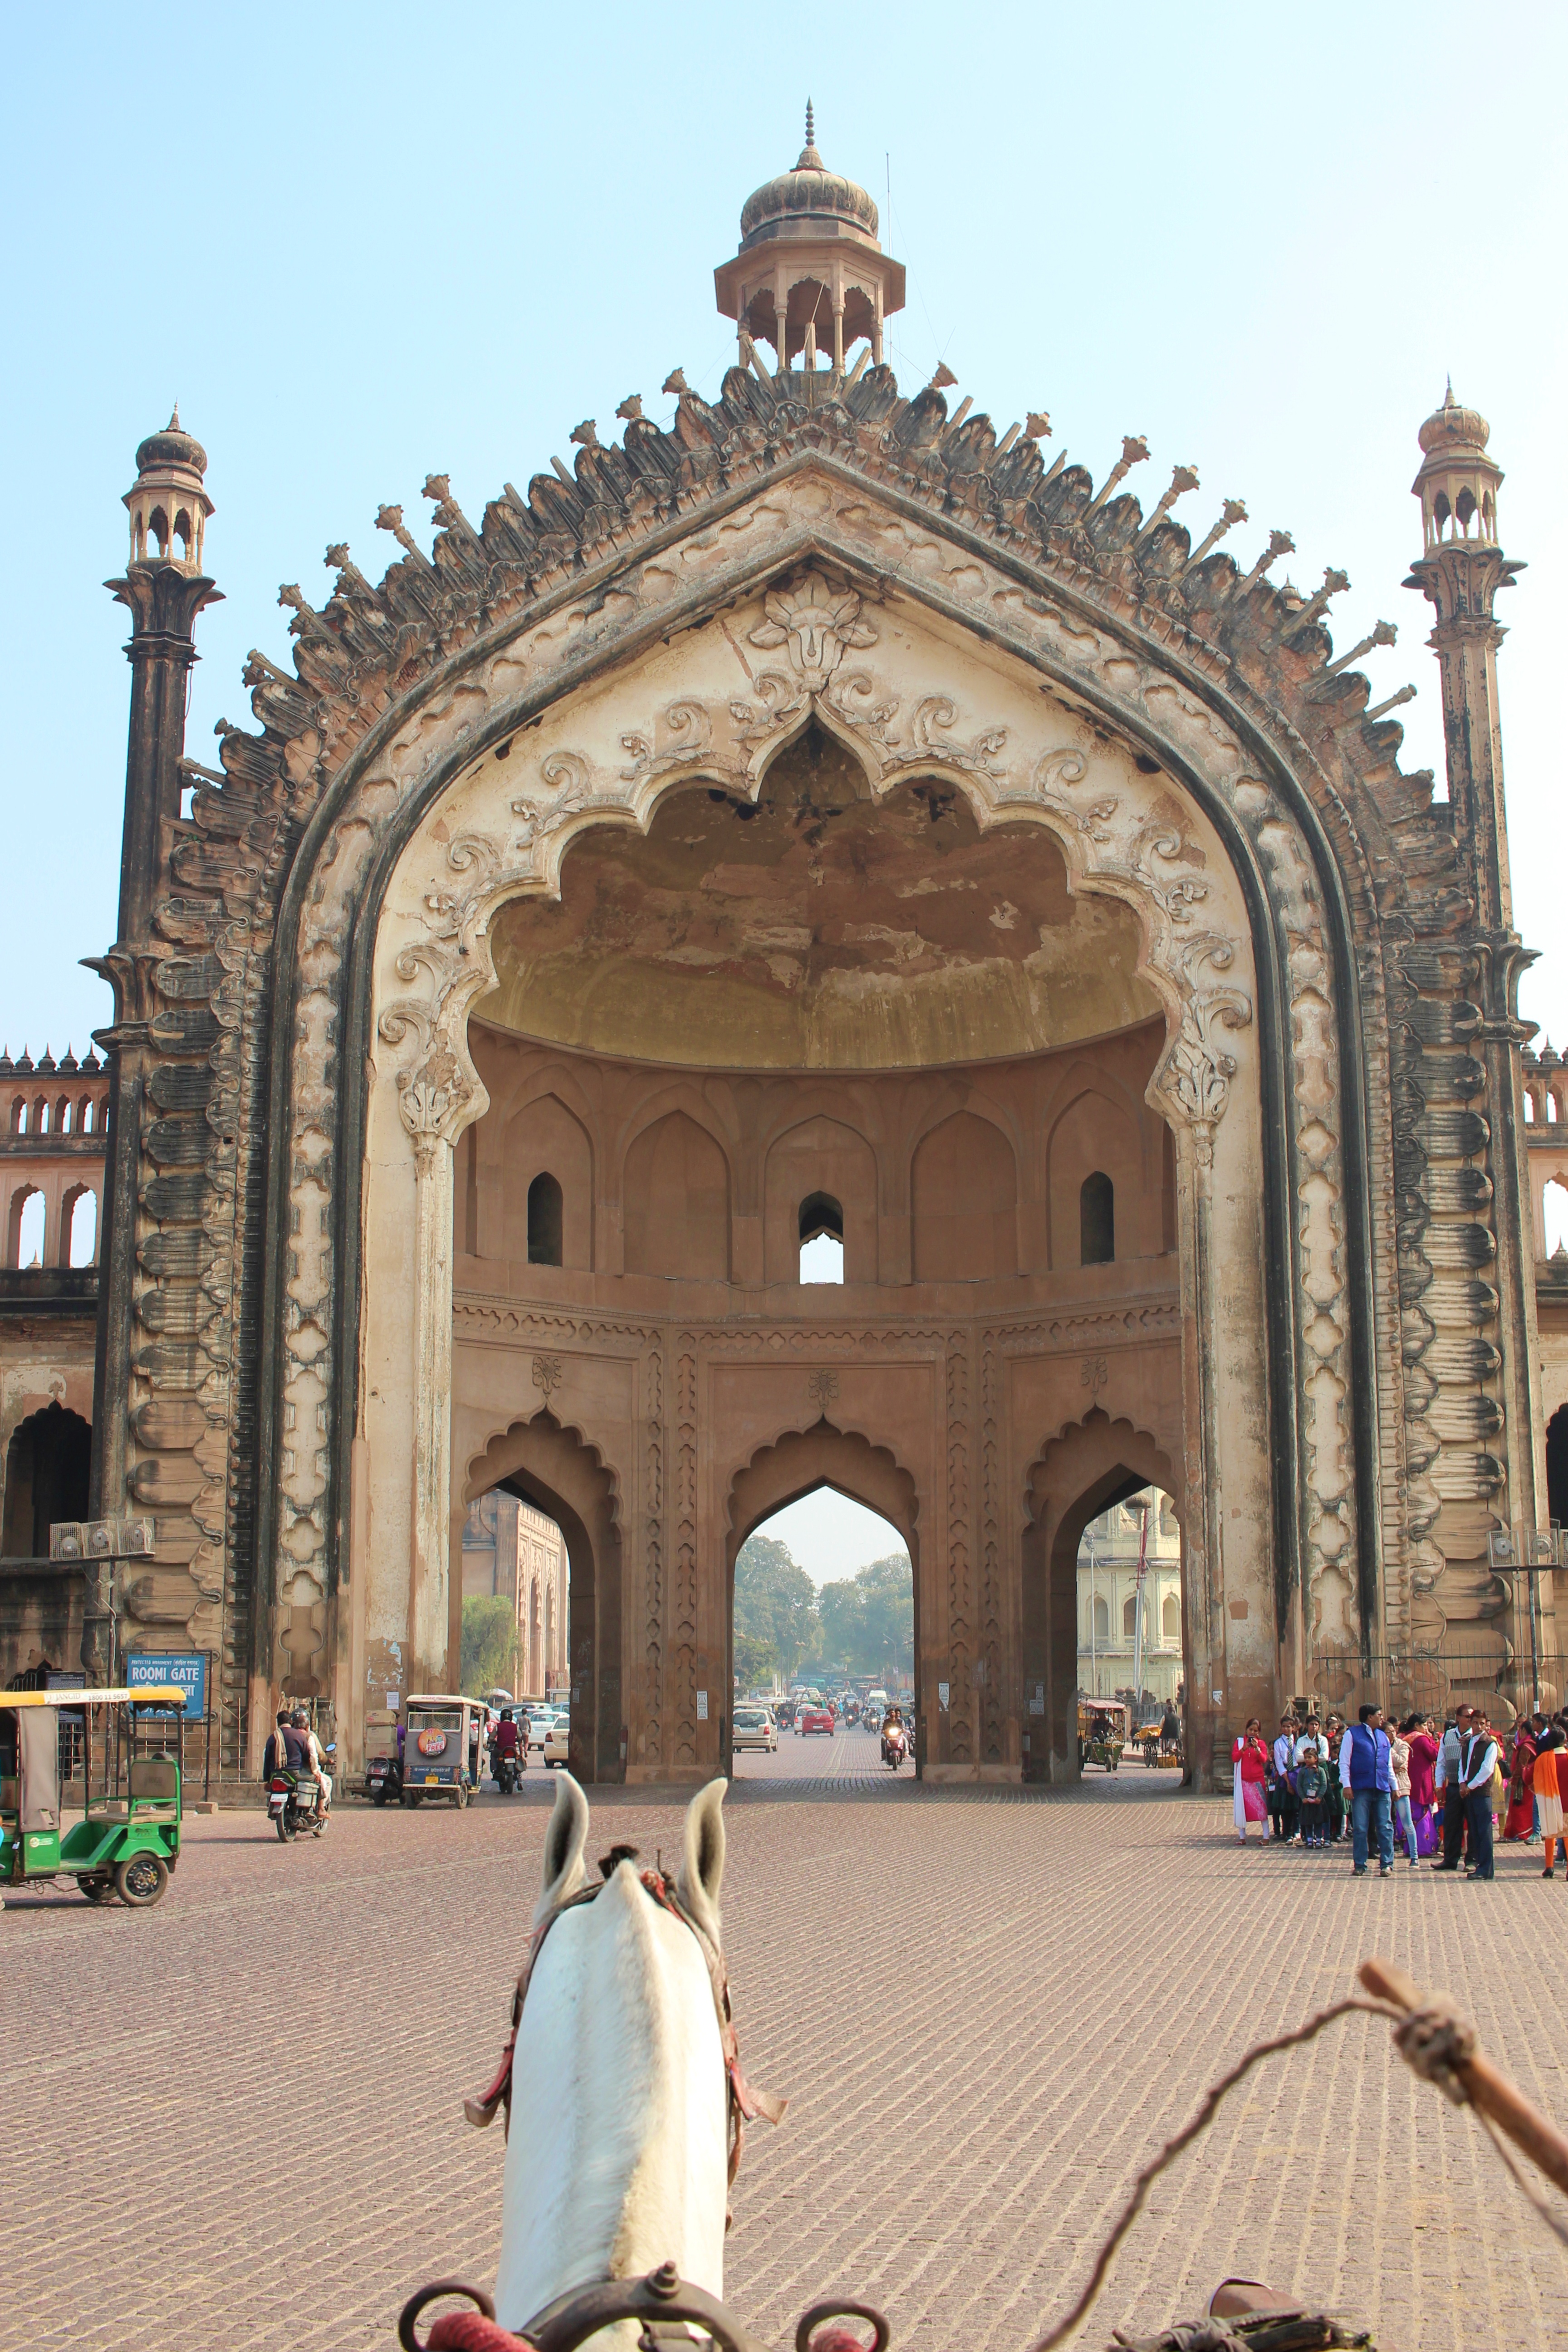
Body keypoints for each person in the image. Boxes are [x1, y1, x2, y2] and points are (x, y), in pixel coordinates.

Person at [1340, 1702, 1395, 1877]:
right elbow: (1344, 1761)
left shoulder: (1383, 1736)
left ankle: (1387, 1863)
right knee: (1361, 1827)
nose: (1382, 1718)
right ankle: (1360, 1864)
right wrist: (1347, 1785)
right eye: (1379, 1715)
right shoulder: (1352, 1734)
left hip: (1382, 1787)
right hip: (1361, 1787)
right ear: (1370, 1717)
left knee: (1385, 1826)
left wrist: (1394, 1786)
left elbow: (1388, 1764)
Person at [1456, 1712, 1499, 1881]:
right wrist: (1462, 1782)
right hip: (1468, 1792)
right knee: (1474, 1831)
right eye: (1476, 1723)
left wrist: (1470, 1786)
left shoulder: (1490, 1744)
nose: (1479, 1727)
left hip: (1481, 1793)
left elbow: (1487, 1770)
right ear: (1471, 1723)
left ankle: (1486, 1868)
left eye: (1482, 1723)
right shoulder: (1468, 1742)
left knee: (1484, 1832)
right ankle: (1480, 1866)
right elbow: (1463, 1765)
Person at [1432, 1706, 1475, 1872]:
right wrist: (1439, 1786)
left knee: (1472, 1824)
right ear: (1458, 1718)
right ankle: (1450, 1859)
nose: (1470, 1719)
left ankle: (1472, 1860)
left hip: (1472, 1787)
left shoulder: (1475, 1735)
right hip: (1454, 1786)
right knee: (1452, 1824)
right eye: (1467, 1716)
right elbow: (1441, 1762)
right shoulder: (1448, 1736)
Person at [1231, 1718, 1270, 1844]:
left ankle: (1266, 1837)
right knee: (1242, 1808)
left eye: (1256, 1731)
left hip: (1257, 1781)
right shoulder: (1239, 1743)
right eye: (1251, 1730)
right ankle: (1242, 1837)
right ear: (1246, 1730)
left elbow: (1264, 1760)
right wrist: (1244, 1749)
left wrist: (1257, 1749)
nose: (1253, 1733)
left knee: (1262, 1809)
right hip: (1243, 1781)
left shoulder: (1262, 1744)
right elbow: (1235, 1758)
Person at [1534, 1725, 1565, 1878]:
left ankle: (1549, 1867)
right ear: (1565, 1740)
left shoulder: (1543, 1758)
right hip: (1567, 1803)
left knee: (1550, 1833)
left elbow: (1533, 1777)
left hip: (1550, 1802)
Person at [1406, 1713, 1439, 1856]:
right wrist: (1432, 1739)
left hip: (1410, 1780)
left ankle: (1411, 1848)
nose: (1427, 1728)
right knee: (1422, 1813)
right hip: (1422, 1782)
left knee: (1412, 1815)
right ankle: (1423, 1847)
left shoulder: (1406, 1738)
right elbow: (1434, 1755)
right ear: (1416, 1726)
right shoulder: (1422, 1739)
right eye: (1424, 1725)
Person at [1388, 1715, 1419, 1867]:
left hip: (1401, 1786)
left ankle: (1415, 1856)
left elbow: (1401, 1762)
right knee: (1386, 1823)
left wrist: (1388, 1750)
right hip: (1384, 1787)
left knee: (1407, 1822)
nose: (1392, 1734)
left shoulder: (1403, 1745)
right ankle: (1388, 1858)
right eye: (1388, 1732)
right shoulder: (1378, 1744)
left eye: (1393, 1731)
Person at [292, 1709, 332, 1821]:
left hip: (285, 1770)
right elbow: (315, 1756)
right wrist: (316, 1772)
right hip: (303, 1771)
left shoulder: (285, 1734)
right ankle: (320, 1808)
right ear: (307, 1725)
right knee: (324, 1781)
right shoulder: (309, 1736)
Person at [1504, 1717, 1538, 1842]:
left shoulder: (1526, 1746)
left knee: (1520, 1808)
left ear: (1524, 1731)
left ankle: (1522, 1833)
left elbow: (1521, 1764)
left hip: (1523, 1782)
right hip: (1528, 1780)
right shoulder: (1529, 1744)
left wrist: (1516, 1778)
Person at [1269, 1715, 1298, 1846]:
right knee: (1286, 1806)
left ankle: (1298, 1831)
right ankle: (1288, 1833)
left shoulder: (1298, 1741)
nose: (1286, 1729)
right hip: (1285, 1775)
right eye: (1284, 1727)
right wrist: (1288, 1781)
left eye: (1289, 1727)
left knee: (1296, 1806)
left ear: (1294, 1728)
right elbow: (1279, 1763)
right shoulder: (1278, 1743)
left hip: (1297, 1773)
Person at [1296, 1744, 1328, 1848]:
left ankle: (1318, 1840)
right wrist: (1303, 1798)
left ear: (1316, 1758)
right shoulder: (1302, 1771)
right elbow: (1299, 1785)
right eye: (1305, 1758)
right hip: (1307, 1801)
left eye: (1310, 1757)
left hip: (1318, 1800)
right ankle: (1309, 1840)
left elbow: (1324, 1785)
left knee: (1318, 1821)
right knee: (1308, 1821)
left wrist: (1319, 1797)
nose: (1307, 1760)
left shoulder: (1321, 1770)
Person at [261, 1708, 294, 1781]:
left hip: (275, 1773)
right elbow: (307, 1755)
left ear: (278, 1723)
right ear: (291, 1722)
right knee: (313, 1780)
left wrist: (267, 1780)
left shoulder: (272, 1738)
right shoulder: (299, 1736)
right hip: (295, 1773)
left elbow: (267, 1761)